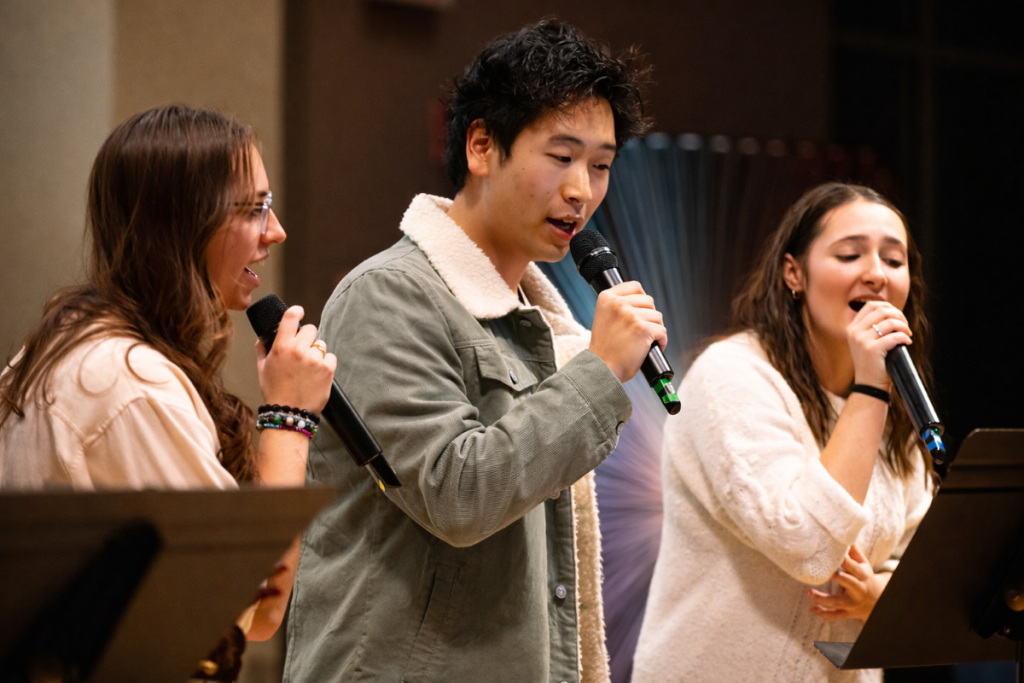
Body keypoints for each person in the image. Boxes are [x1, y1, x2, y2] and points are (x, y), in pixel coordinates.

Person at [284, 20, 661, 683]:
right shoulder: (389, 295)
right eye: (562, 156)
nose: (582, 189)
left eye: (601, 165)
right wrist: (600, 371)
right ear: (482, 145)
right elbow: (458, 496)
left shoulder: (541, 323)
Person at [0, 105, 336, 644]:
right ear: (181, 224)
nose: (276, 231)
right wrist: (289, 415)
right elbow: (252, 606)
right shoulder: (129, 383)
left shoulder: (76, 342)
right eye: (254, 209)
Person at [631, 182, 936, 683]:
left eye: (894, 260)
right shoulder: (731, 375)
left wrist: (878, 595)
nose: (876, 274)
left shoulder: (894, 406)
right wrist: (870, 390)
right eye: (850, 254)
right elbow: (809, 546)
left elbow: (929, 562)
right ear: (794, 273)